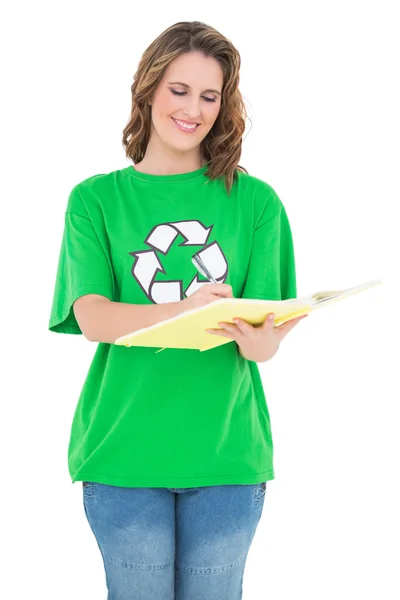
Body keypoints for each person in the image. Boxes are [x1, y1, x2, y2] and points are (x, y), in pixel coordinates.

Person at [48, 20, 307, 600]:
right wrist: (184, 309)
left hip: (226, 455)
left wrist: (265, 333)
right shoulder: (95, 199)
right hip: (123, 452)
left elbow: (262, 347)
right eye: (178, 89)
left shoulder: (256, 202)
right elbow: (93, 318)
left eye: (209, 95)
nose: (193, 109)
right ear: (148, 90)